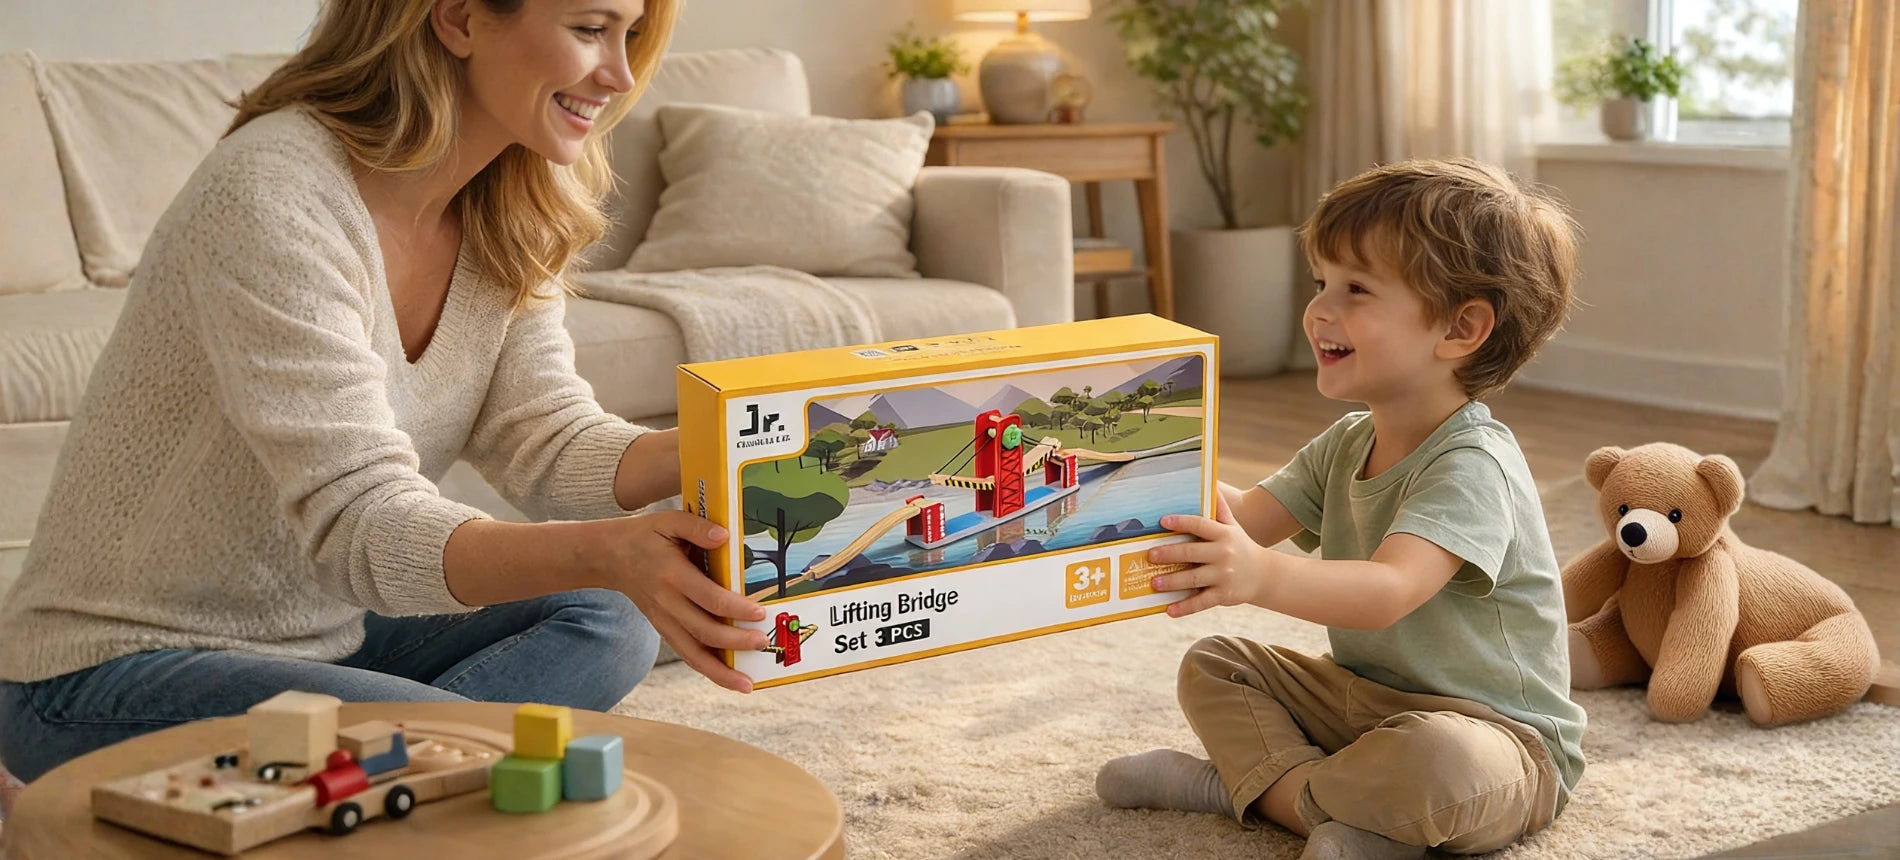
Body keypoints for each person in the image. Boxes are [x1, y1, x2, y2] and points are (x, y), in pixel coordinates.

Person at [0, 0, 769, 785]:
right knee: (454, 725)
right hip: (107, 669)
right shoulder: (274, 193)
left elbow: (548, 439)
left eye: (630, 35)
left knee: (609, 619)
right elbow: (360, 526)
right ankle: (401, 767)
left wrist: (734, 436)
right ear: (461, 19)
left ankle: (372, 774)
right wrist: (610, 550)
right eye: (589, 29)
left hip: (327, 635)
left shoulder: (512, 202)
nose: (622, 72)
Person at [1093, 159, 1588, 859]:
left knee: (1439, 761)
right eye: (1321, 282)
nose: (1321, 309)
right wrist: (1147, 464)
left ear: (1461, 328)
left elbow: (1388, 591)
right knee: (1214, 662)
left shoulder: (1473, 464)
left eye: (1356, 289)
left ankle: (1249, 789)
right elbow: (1245, 519)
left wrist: (1260, 577)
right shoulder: (1350, 440)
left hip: (1498, 739)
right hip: (1362, 700)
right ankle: (1330, 810)